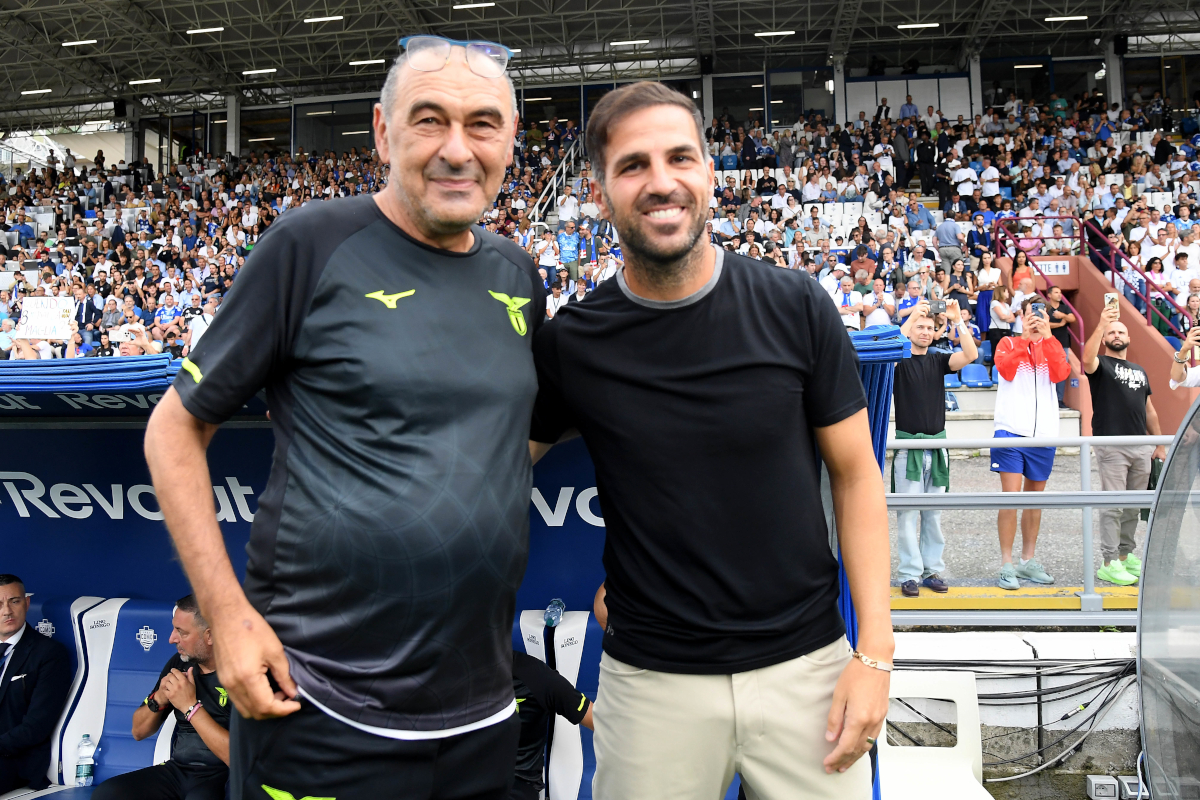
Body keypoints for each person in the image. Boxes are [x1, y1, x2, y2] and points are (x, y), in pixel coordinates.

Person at [144, 36, 541, 799]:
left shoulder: (517, 273)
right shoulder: (310, 244)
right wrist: (225, 619)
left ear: (512, 140)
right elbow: (173, 429)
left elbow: (498, 440)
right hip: (317, 702)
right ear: (383, 132)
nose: (458, 149)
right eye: (430, 120)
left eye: (483, 124)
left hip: (481, 711)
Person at [529, 81, 891, 800]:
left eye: (679, 158)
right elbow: (490, 473)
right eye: (633, 166)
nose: (661, 182)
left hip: (809, 674)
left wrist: (874, 653)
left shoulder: (795, 307)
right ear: (599, 191)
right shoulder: (572, 343)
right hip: (650, 684)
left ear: (708, 172)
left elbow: (856, 476)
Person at [93, 596, 230, 800]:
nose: (172, 639)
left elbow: (239, 757)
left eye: (181, 632)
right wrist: (159, 699)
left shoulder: (245, 676)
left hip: (226, 776)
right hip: (180, 771)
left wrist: (190, 707)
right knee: (108, 794)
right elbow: (138, 731)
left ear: (209, 636)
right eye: (174, 629)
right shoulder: (180, 663)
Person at [893, 299, 978, 597]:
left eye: (930, 327)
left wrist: (957, 321)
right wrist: (913, 314)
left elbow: (971, 354)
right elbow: (891, 346)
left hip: (937, 447)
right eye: (920, 326)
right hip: (909, 449)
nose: (926, 332)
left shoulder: (939, 359)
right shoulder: (898, 360)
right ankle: (909, 574)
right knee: (907, 515)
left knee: (933, 515)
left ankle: (931, 569)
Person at [1082, 306, 1167, 587]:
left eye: (1121, 331)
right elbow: (1086, 359)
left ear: (1129, 338)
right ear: (1105, 338)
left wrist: (1159, 443)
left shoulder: (1139, 371)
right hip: (1112, 445)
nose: (1116, 335)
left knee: (1132, 507)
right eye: (1112, 332)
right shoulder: (1101, 366)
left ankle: (1125, 554)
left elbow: (1150, 410)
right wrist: (1100, 324)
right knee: (1112, 506)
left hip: (1141, 446)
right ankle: (1108, 562)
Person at [992, 299, 1071, 590]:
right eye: (1030, 314)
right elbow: (1006, 371)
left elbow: (1061, 374)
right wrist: (1025, 338)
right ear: (1021, 316)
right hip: (1011, 432)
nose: (1036, 319)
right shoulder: (1008, 343)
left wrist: (1047, 337)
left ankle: (1028, 560)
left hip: (1044, 434)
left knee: (1034, 501)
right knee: (1010, 499)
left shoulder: (1051, 346)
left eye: (1041, 314)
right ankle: (1006, 563)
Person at [0, 575, 71, 794]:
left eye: (14, 601)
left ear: (27, 603)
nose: (7, 611)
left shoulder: (49, 654)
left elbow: (36, 726)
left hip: (15, 760)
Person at [509, 653, 595, 800]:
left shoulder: (533, 674)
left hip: (516, 784)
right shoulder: (457, 675)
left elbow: (600, 722)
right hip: (465, 780)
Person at [1043, 285, 1077, 406]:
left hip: (1063, 344)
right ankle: (1047, 399)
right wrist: (1061, 324)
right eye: (1056, 292)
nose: (1059, 294)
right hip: (1047, 344)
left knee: (1061, 371)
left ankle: (1059, 399)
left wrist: (1063, 316)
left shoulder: (1064, 307)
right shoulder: (1046, 307)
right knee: (1046, 371)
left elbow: (1072, 318)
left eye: (1060, 292)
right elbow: (1043, 324)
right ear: (1049, 295)